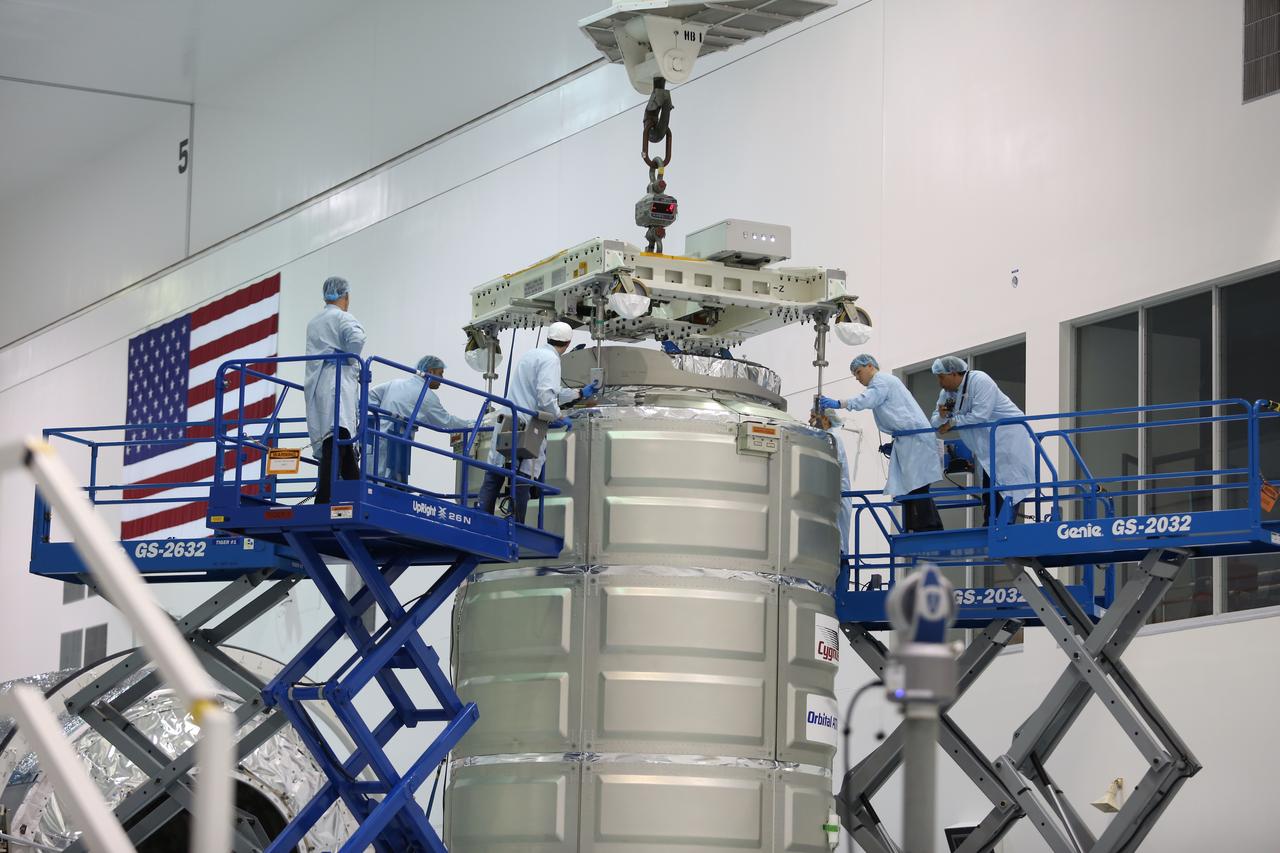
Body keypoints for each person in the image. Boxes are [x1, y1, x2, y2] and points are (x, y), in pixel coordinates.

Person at [475, 322, 599, 521]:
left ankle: (482, 518)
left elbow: (549, 391)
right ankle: (516, 524)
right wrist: (559, 416)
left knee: (495, 470)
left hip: (508, 419)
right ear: (568, 343)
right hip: (528, 426)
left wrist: (579, 393)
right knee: (524, 475)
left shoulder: (531, 354)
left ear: (549, 337)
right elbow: (546, 397)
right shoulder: (552, 360)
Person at [818, 354, 943, 533]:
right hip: (908, 438)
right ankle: (917, 527)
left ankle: (929, 528)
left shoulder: (881, 381)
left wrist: (839, 403)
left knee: (917, 486)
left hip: (915, 439)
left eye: (858, 372)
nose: (857, 378)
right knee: (910, 487)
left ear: (870, 366)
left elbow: (867, 399)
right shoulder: (884, 383)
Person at [929, 355, 1036, 526]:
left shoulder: (979, 381)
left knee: (1008, 487)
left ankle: (1001, 529)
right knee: (989, 489)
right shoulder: (948, 394)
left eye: (942, 377)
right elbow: (935, 421)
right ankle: (991, 526)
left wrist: (952, 422)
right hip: (987, 447)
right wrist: (942, 416)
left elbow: (981, 414)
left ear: (954, 373)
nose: (939, 382)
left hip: (1007, 439)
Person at [304, 277, 367, 503]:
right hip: (337, 383)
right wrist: (350, 358)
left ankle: (355, 491)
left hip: (319, 383)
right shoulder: (343, 317)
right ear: (346, 296)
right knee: (337, 436)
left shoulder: (314, 322)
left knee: (341, 439)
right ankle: (324, 497)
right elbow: (357, 338)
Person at [368, 355, 474, 485]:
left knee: (373, 476)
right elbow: (446, 422)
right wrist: (471, 424)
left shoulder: (395, 383)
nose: (442, 379)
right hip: (396, 440)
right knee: (388, 479)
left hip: (377, 435)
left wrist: (378, 416)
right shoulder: (427, 396)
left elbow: (371, 396)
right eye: (440, 374)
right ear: (431, 372)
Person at [812, 408, 853, 556]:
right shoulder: (825, 438)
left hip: (837, 497)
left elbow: (830, 467)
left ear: (825, 419)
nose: (810, 421)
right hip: (831, 497)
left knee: (837, 542)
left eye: (813, 417)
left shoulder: (832, 438)